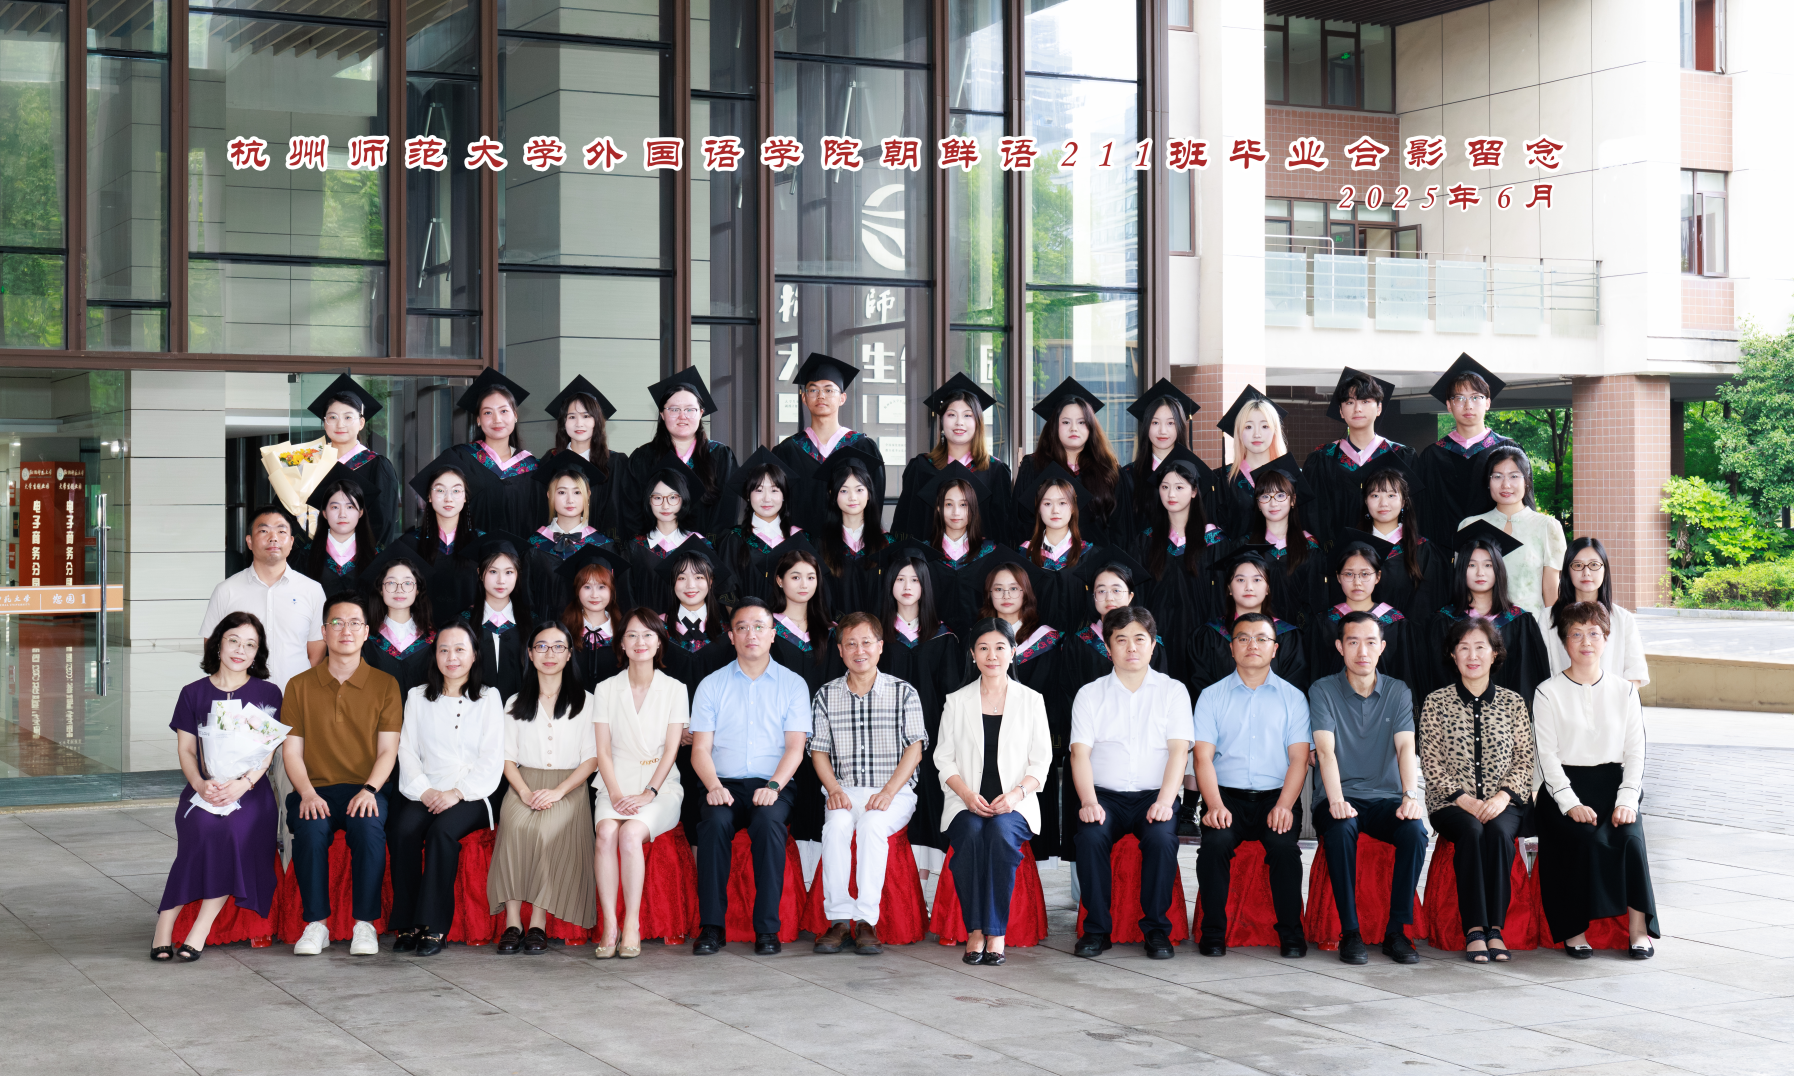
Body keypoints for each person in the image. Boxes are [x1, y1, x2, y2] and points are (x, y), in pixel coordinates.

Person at [151, 613, 285, 961]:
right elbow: (186, 750)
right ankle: (165, 924)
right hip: (204, 789)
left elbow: (266, 753)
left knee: (232, 832)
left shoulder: (268, 693)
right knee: (201, 827)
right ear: (217, 644)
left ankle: (201, 927)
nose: (241, 650)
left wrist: (243, 784)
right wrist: (199, 783)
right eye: (234, 641)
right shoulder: (193, 693)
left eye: (250, 645)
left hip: (250, 792)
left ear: (257, 653)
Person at [1533, 601, 1660, 959]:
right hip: (1564, 787)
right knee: (1581, 838)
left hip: (1614, 785)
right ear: (1564, 642)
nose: (1585, 641)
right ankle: (1573, 930)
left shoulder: (1625, 690)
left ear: (1606, 639)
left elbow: (1636, 751)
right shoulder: (1547, 692)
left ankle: (1638, 931)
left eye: (1593, 633)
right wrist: (1569, 803)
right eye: (1576, 634)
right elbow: (1547, 757)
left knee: (1630, 839)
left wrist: (1628, 799)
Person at [688, 599, 813, 956]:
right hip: (722, 784)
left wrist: (773, 786)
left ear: (773, 634)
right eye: (741, 627)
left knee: (769, 823)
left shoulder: (793, 685)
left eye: (759, 627)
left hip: (773, 783)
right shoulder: (712, 685)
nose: (750, 634)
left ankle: (767, 930)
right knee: (713, 823)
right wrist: (713, 786)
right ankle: (712, 928)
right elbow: (700, 750)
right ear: (731, 636)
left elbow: (795, 748)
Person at [281, 594, 404, 956]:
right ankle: (316, 924)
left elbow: (388, 750)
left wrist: (370, 790)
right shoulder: (299, 686)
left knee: (367, 827)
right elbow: (292, 751)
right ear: (324, 631)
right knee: (310, 828)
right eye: (336, 623)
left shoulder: (385, 684)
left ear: (366, 632)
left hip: (365, 788)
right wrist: (306, 793)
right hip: (314, 788)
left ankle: (365, 924)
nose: (345, 630)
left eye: (354, 623)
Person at [1068, 606, 1192, 961]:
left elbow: (1179, 751)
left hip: (1155, 795)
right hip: (1104, 797)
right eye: (1121, 640)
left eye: (1140, 639)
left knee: (1161, 838)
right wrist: (1089, 802)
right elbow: (1079, 754)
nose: (1131, 647)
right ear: (1108, 648)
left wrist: (1166, 801)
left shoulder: (1173, 691)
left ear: (1153, 645)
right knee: (1090, 837)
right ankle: (1096, 930)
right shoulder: (1090, 694)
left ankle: (1156, 930)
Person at [1307, 610, 1425, 966]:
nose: (1362, 651)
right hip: (1337, 798)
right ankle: (1350, 932)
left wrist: (1410, 795)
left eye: (1371, 642)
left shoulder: (1398, 690)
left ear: (1382, 647)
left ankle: (1397, 932)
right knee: (1341, 829)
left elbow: (1406, 747)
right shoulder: (1323, 690)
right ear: (1340, 647)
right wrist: (1336, 799)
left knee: (1415, 831)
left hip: (1385, 798)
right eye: (1353, 642)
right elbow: (1324, 751)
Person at [1191, 611, 1312, 958]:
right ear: (1231, 648)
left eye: (1261, 639)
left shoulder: (1293, 698)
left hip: (1277, 796)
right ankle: (1213, 932)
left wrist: (1285, 806)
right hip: (1226, 796)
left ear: (1275, 648)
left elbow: (1299, 759)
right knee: (1214, 845)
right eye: (1243, 638)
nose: (1252, 645)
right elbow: (1202, 758)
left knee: (1285, 849)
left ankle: (1291, 934)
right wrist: (1214, 805)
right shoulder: (1211, 696)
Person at [809, 613, 929, 955]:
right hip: (845, 789)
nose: (858, 650)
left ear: (880, 647)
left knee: (873, 825)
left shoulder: (903, 692)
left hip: (894, 791)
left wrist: (889, 792)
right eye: (850, 644)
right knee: (836, 826)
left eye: (866, 642)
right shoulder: (826, 695)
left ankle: (865, 921)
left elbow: (915, 749)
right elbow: (818, 751)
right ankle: (838, 920)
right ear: (840, 651)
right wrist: (834, 789)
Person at [935, 618, 1053, 967]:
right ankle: (975, 929)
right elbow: (943, 759)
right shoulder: (957, 701)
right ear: (972, 654)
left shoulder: (1031, 701)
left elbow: (1041, 762)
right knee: (971, 835)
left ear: (1013, 652)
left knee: (1001, 834)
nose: (992, 655)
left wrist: (1015, 795)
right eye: (983, 648)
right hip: (965, 801)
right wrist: (967, 795)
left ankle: (995, 932)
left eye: (1000, 647)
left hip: (1016, 803)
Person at [1419, 617, 1535, 963]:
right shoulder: (1436, 702)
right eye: (1464, 648)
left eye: (1480, 647)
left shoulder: (1513, 702)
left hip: (1504, 802)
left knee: (1498, 833)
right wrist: (1465, 800)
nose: (1472, 656)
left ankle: (1495, 930)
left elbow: (1525, 759)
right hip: (1451, 804)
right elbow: (1431, 761)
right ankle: (1473, 929)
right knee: (1471, 831)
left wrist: (1502, 797)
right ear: (1452, 655)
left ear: (1494, 653)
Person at [388, 622, 504, 956]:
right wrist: (424, 791)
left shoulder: (489, 698)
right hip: (427, 788)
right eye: (444, 650)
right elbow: (407, 750)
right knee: (404, 829)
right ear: (435, 655)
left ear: (474, 655)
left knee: (442, 832)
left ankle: (434, 926)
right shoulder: (417, 696)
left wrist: (457, 793)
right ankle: (408, 922)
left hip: (473, 793)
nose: (451, 657)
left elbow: (492, 756)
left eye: (459, 649)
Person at [490, 622, 600, 954]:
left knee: (544, 831)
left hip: (569, 787)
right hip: (523, 783)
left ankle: (537, 922)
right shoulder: (514, 702)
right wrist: (524, 793)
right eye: (541, 646)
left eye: (558, 647)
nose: (549, 653)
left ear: (569, 655)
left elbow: (591, 759)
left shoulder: (587, 702)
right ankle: (513, 923)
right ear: (530, 654)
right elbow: (506, 758)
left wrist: (558, 791)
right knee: (513, 827)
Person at [590, 609, 688, 959]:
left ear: (659, 642)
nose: (640, 642)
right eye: (631, 635)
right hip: (614, 782)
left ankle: (631, 922)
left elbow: (671, 750)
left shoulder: (675, 689)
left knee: (630, 833)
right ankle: (610, 925)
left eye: (648, 635)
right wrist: (616, 794)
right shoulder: (605, 689)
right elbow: (602, 750)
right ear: (621, 643)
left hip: (659, 786)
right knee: (606, 832)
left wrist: (649, 793)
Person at [876, 541, 968, 875]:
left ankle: (924, 879)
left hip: (931, 735)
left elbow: (952, 695)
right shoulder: (878, 635)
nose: (907, 586)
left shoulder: (943, 637)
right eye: (900, 579)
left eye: (914, 580)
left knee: (930, 799)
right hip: (885, 734)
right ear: (890, 583)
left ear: (925, 585)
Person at [975, 552, 1066, 858]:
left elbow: (1053, 692)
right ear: (989, 594)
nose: (1006, 595)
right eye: (998, 589)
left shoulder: (1046, 639)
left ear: (1026, 592)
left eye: (1014, 588)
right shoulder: (979, 637)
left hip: (1029, 736)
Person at [199, 506, 326, 691]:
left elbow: (316, 653)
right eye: (264, 531)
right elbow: (212, 648)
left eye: (281, 531)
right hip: (242, 698)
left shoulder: (312, 591)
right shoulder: (226, 591)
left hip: (296, 698)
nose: (273, 537)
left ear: (291, 542)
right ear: (249, 541)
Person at [1131, 449, 1225, 689]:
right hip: (1157, 638)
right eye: (1164, 487)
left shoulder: (1215, 541)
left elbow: (1220, 599)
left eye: (1179, 487)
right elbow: (1138, 595)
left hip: (1200, 638)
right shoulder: (1146, 541)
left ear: (1194, 491)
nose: (1171, 494)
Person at [1431, 521, 1551, 708]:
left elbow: (1528, 679)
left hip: (1507, 719)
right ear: (1461, 569)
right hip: (1455, 719)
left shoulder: (1520, 622)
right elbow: (1436, 678)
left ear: (1498, 569)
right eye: (1471, 565)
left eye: (1488, 565)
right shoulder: (1444, 621)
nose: (1480, 573)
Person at [894, 373, 1015, 544]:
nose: (959, 422)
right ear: (941, 421)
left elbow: (1002, 529)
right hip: (929, 558)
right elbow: (907, 523)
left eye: (967, 415)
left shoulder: (995, 471)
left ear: (978, 422)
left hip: (982, 559)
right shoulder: (921, 467)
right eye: (951, 415)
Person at [772, 353, 886, 535]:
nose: (821, 396)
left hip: (851, 544)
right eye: (813, 390)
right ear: (804, 398)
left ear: (842, 398)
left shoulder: (863, 447)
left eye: (829, 390)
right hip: (801, 545)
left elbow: (875, 500)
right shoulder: (787, 451)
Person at [1299, 369, 1412, 551]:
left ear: (1379, 408)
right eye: (1349, 402)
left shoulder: (1401, 456)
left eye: (1365, 401)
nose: (1357, 409)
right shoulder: (1322, 459)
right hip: (1338, 557)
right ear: (1341, 411)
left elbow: (1414, 512)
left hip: (1393, 555)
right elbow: (1312, 515)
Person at [623, 367, 741, 539]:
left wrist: (706, 549)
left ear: (701, 413)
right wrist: (648, 548)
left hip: (706, 551)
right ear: (662, 414)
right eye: (674, 409)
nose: (682, 416)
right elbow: (631, 511)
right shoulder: (643, 457)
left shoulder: (720, 455)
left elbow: (726, 513)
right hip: (653, 550)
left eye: (690, 409)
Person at [1413, 354, 1516, 547]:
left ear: (1488, 403)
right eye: (1459, 398)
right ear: (1449, 405)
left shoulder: (1508, 450)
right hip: (1443, 554)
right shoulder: (1432, 455)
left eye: (1476, 397)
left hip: (1496, 551)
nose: (1468, 405)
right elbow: (1422, 513)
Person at [1460, 444, 1566, 620]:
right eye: (1497, 476)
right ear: (1488, 481)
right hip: (1480, 629)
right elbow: (1462, 586)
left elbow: (1551, 591)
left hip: (1530, 627)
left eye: (1514, 476)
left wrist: (1552, 632)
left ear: (1527, 481)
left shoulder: (1547, 527)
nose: (1506, 484)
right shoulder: (1469, 526)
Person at [1013, 378, 1122, 544]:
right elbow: (1020, 522)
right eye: (1065, 422)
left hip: (1096, 558)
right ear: (1054, 426)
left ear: (1091, 427)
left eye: (1081, 422)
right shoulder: (1033, 467)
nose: (1074, 428)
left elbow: (1119, 529)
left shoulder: (1108, 471)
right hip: (1043, 557)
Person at [1188, 547, 1309, 696]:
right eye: (1240, 580)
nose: (1249, 587)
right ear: (1229, 588)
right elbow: (1203, 691)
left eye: (1257, 580)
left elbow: (1294, 692)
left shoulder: (1288, 637)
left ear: (1267, 588)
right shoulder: (1208, 636)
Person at [1220, 454, 1322, 627]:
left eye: (1280, 495)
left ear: (1293, 500)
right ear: (1258, 504)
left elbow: (1316, 600)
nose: (1273, 504)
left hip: (1299, 634)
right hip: (1254, 632)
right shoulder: (1243, 547)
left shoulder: (1310, 547)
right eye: (1265, 496)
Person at [1306, 536, 1417, 688]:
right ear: (1338, 577)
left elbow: (1405, 675)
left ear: (1377, 576)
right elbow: (1315, 673)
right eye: (1349, 574)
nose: (1357, 582)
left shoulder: (1395, 622)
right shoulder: (1324, 622)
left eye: (1365, 574)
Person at [307, 374, 402, 546]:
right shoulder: (309, 462)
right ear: (324, 422)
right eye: (333, 417)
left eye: (348, 417)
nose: (340, 424)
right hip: (313, 554)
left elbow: (383, 522)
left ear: (361, 423)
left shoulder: (377, 466)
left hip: (360, 557)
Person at [1352, 455, 1449, 620]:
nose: (1383, 503)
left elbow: (1428, 604)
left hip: (1409, 633)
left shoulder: (1423, 550)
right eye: (1375, 495)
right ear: (1366, 502)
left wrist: (1399, 630)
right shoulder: (1354, 547)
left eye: (1391, 495)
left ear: (1404, 502)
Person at [451, 368, 543, 537]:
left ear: (515, 416)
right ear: (478, 420)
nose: (497, 420)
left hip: (519, 552)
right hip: (470, 550)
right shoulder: (461, 458)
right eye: (488, 412)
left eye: (503, 411)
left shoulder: (532, 467)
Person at [1121, 378, 1213, 548]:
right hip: (1141, 557)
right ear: (1146, 426)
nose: (1162, 431)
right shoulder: (1128, 476)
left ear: (1180, 426)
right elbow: (1124, 530)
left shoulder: (1196, 474)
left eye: (1170, 423)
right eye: (1155, 422)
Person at [1546, 538, 1649, 685]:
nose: (1586, 572)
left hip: (1612, 698)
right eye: (1578, 565)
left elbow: (1635, 673)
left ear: (1604, 569)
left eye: (1594, 565)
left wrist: (1618, 699)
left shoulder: (1623, 618)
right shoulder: (1548, 618)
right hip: (1561, 698)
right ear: (1567, 571)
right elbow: (1542, 670)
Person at [397, 454, 485, 627]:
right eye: (440, 490)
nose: (448, 498)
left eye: (456, 491)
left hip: (470, 633)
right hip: (421, 633)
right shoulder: (409, 544)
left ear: (465, 497)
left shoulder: (482, 543)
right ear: (429, 497)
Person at [538, 376, 627, 539]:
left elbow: (619, 513)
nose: (579, 424)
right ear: (563, 423)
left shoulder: (615, 463)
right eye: (572, 417)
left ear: (597, 421)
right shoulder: (550, 461)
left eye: (586, 416)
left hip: (602, 547)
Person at [526, 458, 616, 618]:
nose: (570, 500)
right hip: (544, 629)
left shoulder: (603, 545)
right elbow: (527, 598)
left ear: (588, 495)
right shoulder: (534, 545)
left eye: (577, 492)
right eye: (561, 492)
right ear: (549, 495)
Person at [714, 446, 802, 604]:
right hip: (747, 619)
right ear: (748, 495)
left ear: (784, 495)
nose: (767, 499)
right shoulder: (733, 540)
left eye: (774, 490)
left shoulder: (800, 538)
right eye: (759, 490)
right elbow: (727, 594)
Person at [1019, 465, 1096, 632]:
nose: (1055, 510)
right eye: (1047, 503)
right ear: (1038, 508)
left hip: (1078, 643)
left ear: (1073, 508)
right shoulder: (1024, 555)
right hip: (1035, 641)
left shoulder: (1090, 555)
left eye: (1062, 503)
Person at [816, 445, 891, 616]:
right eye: (844, 490)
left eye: (859, 489)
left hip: (877, 631)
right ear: (832, 494)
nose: (852, 497)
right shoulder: (820, 545)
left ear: (869, 493)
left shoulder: (887, 544)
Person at [925, 465, 999, 636]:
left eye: (963, 504)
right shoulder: (925, 552)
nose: (956, 512)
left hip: (980, 639)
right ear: (938, 508)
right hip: (935, 640)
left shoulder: (989, 552)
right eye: (948, 504)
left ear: (973, 509)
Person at [360, 545, 437, 698]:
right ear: (380, 589)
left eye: (407, 583)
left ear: (417, 589)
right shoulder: (366, 639)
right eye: (391, 583)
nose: (399, 589)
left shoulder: (433, 639)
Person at [1214, 386, 1290, 538]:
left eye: (1265, 426)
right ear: (1238, 432)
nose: (1257, 434)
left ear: (1275, 431)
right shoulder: (1223, 479)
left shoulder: (1289, 476)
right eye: (1248, 427)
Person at [627, 467, 702, 613]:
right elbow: (628, 595)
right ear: (648, 500)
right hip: (647, 624)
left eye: (673, 497)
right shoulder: (636, 547)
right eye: (657, 498)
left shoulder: (698, 544)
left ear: (683, 499)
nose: (665, 505)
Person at [466, 536, 533, 703]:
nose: (501, 580)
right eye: (493, 571)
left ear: (518, 575)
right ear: (480, 574)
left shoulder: (533, 623)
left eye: (509, 572)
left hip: (521, 712)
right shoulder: (463, 623)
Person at [557, 545, 632, 688]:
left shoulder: (625, 631)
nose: (594, 595)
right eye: (587, 587)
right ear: (577, 590)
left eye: (601, 587)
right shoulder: (562, 632)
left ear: (612, 590)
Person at [303, 469, 378, 593]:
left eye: (350, 507)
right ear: (324, 513)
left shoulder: (376, 557)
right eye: (335, 507)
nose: (342, 514)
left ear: (360, 513)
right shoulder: (305, 556)